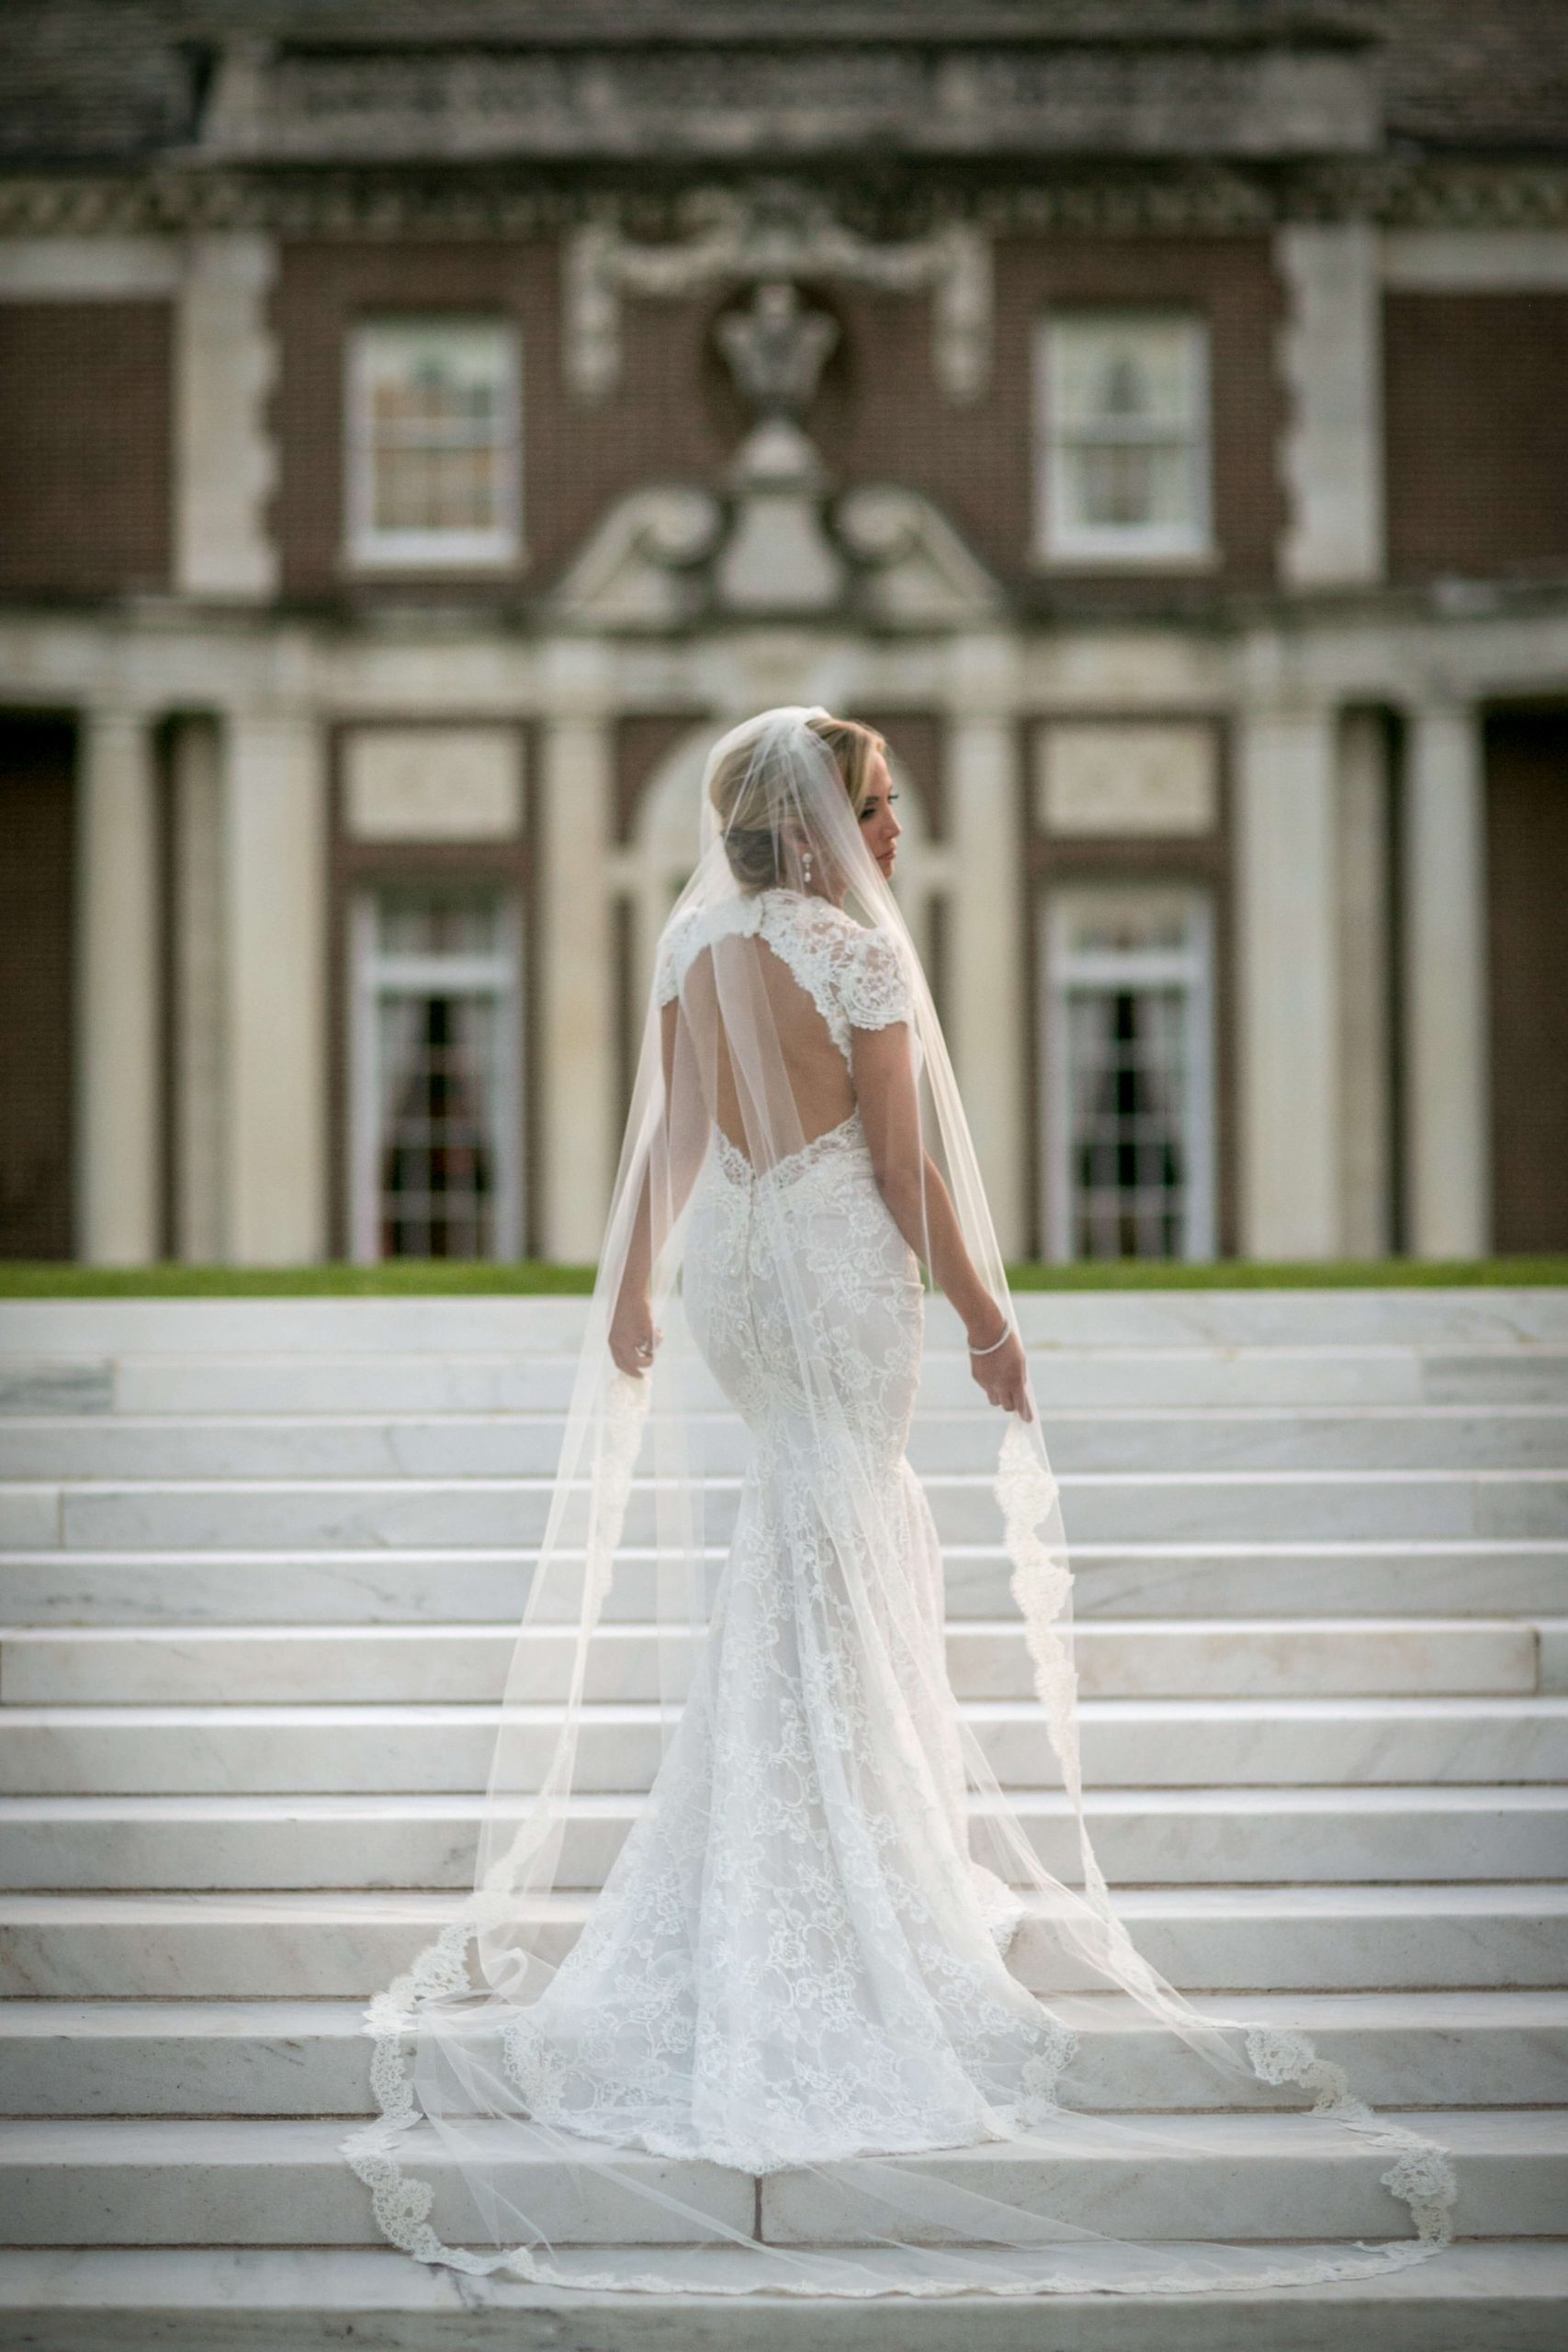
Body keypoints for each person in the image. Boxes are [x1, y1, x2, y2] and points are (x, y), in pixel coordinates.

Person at [344, 707, 1457, 2299]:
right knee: (849, 1527)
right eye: (877, 807)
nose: (891, 832)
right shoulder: (854, 961)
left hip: (735, 1262)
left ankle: (795, 1834)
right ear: (824, 824)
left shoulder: (695, 953)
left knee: (795, 1539)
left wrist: (640, 1295)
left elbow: (668, 1138)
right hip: (835, 1264)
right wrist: (992, 1325)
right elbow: (907, 1172)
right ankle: (860, 1861)